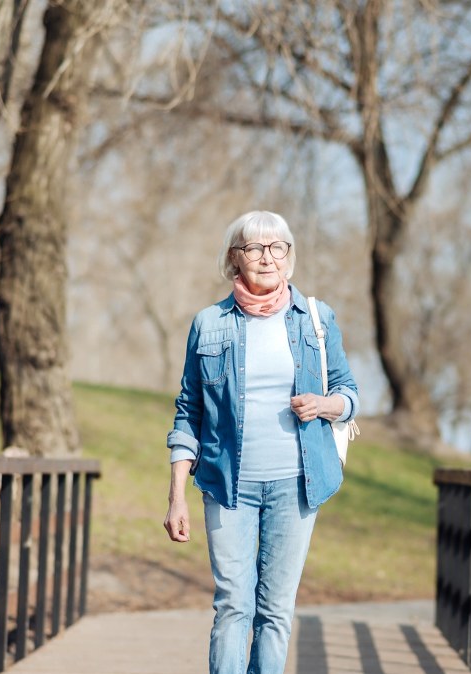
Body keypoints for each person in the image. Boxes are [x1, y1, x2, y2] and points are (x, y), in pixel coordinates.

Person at [163, 210, 359, 674]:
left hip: (297, 485)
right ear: (236, 259)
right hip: (228, 486)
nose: (267, 257)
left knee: (275, 611)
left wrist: (324, 405)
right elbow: (188, 412)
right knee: (233, 605)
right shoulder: (209, 324)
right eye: (254, 248)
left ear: (289, 260)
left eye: (277, 248)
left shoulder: (317, 319)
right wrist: (176, 497)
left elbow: (349, 394)